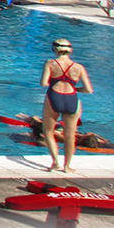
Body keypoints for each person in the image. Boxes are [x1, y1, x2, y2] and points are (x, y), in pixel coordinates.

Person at [39, 37, 94, 173]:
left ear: (54, 49)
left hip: (54, 96)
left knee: (48, 131)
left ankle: (55, 162)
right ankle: (67, 166)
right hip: (71, 98)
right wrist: (75, 89)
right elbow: (88, 90)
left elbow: (43, 83)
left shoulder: (50, 63)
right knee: (70, 135)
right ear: (70, 50)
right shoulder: (78, 67)